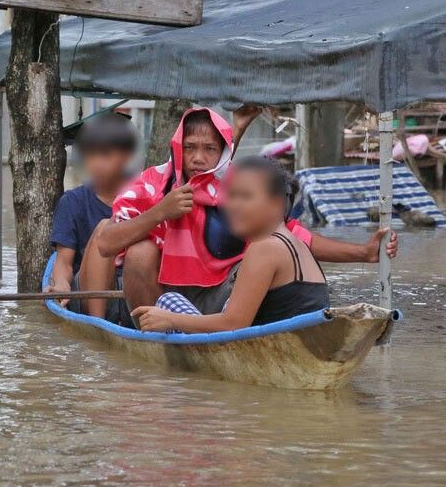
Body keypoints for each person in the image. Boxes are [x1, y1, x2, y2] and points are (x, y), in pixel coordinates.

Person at [78, 106, 397, 324]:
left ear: (224, 153)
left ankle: (219, 334)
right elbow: (106, 244)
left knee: (269, 247)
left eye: (209, 149)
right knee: (140, 251)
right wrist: (161, 212)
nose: (199, 158)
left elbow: (295, 235)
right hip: (164, 294)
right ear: (178, 148)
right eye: (190, 148)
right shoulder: (153, 184)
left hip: (226, 294)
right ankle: (156, 339)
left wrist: (364, 253)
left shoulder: (236, 184)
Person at [132, 156, 327, 332]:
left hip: (275, 352)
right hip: (298, 341)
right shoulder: (297, 244)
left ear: (276, 204)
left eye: (245, 196)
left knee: (168, 301)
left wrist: (171, 320)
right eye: (231, 196)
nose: (233, 205)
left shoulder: (265, 247)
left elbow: (233, 324)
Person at [45, 110, 139, 323]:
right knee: (106, 229)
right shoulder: (72, 202)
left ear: (125, 157)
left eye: (105, 155)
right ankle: (98, 327)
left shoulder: (147, 194)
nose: (96, 163)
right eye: (91, 155)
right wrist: (61, 283)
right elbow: (64, 262)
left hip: (132, 290)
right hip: (88, 292)